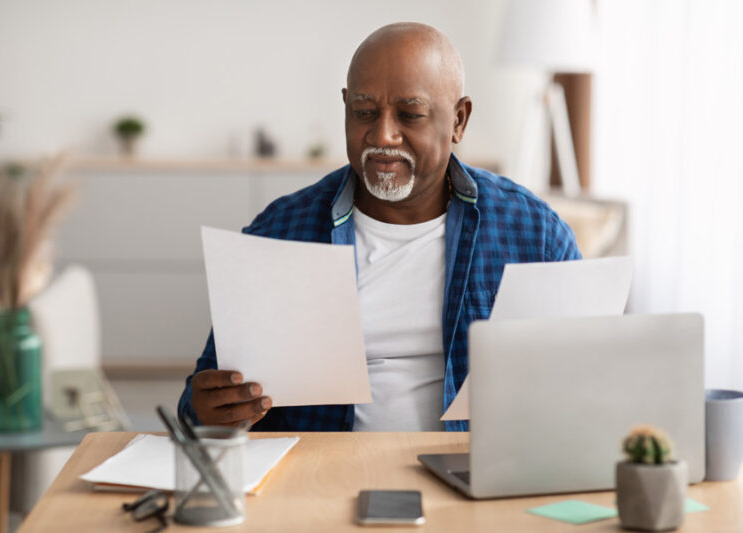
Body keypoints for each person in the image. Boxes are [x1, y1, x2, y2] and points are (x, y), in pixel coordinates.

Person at [178, 22, 581, 432]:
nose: (382, 134)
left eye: (410, 114)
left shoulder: (536, 236)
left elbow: (582, 391)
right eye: (364, 112)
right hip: (319, 481)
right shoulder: (279, 232)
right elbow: (199, 404)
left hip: (473, 480)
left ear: (459, 120)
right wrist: (211, 410)